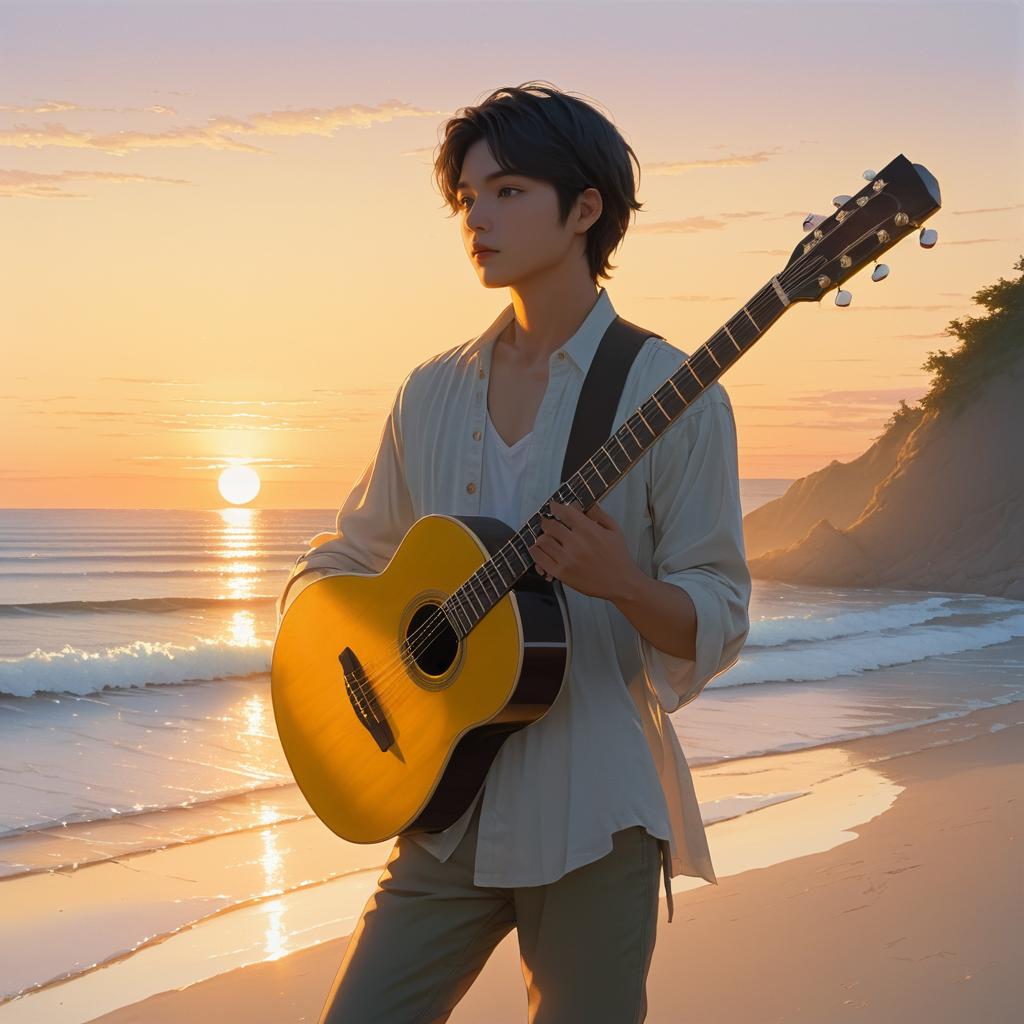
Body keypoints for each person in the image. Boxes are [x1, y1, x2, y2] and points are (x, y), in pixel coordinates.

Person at [277, 81, 751, 1024]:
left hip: (593, 818)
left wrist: (623, 584)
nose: (477, 219)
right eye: (467, 197)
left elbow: (721, 609)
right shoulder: (430, 393)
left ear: (585, 210)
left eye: (508, 192)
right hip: (447, 808)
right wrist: (341, 663)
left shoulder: (672, 391)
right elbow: (344, 562)